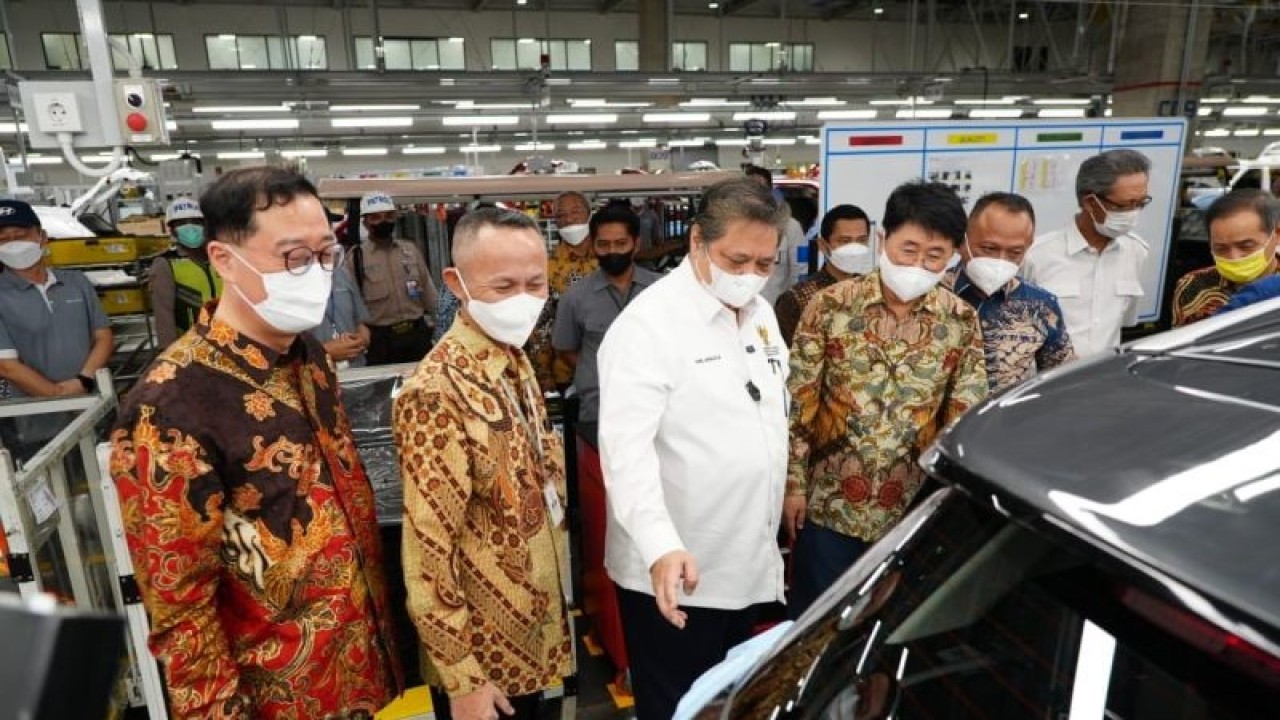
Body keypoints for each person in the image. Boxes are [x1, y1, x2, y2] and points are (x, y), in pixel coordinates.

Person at [109, 167, 402, 718]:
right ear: (224, 260)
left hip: (361, 668)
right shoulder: (170, 405)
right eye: (294, 257)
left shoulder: (309, 357)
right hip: (274, 695)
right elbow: (180, 609)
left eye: (326, 254)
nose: (315, 273)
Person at [598, 177, 790, 720]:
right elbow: (626, 454)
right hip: (677, 572)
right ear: (697, 242)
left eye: (764, 263)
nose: (750, 275)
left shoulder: (761, 316)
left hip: (745, 559)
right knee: (678, 708)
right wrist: (660, 545)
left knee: (732, 706)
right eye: (737, 260)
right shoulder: (647, 327)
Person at [394, 207, 570, 720]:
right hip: (485, 665)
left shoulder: (514, 361)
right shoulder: (436, 392)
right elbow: (427, 549)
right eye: (503, 286)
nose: (523, 300)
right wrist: (462, 678)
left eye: (535, 284)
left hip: (533, 637)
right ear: (457, 283)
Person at [785, 181, 988, 619]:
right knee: (816, 619)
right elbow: (799, 403)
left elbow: (964, 415)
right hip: (829, 504)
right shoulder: (829, 306)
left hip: (910, 510)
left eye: (934, 255)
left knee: (887, 624)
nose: (918, 265)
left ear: (954, 255)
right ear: (883, 239)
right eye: (908, 250)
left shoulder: (960, 321)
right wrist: (794, 486)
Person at [0, 200, 115, 455]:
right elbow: (7, 366)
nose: (13, 244)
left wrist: (84, 381)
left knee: (100, 472)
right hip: (31, 422)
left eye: (20, 235)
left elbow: (103, 336)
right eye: (3, 239)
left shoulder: (76, 283)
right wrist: (61, 395)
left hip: (92, 407)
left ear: (42, 237)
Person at [1023, 149, 1151, 357]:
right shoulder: (1036, 256)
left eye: (1141, 204)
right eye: (1124, 205)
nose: (1133, 213)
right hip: (1049, 375)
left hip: (1104, 373)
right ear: (1090, 202)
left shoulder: (1136, 252)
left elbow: (1125, 322)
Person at [553, 206, 661, 446]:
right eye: (603, 244)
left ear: (636, 244)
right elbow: (566, 349)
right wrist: (598, 370)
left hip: (658, 408)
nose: (612, 251)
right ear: (593, 245)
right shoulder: (575, 297)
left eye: (621, 243)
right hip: (599, 410)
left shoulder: (662, 290)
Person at [951, 192, 1075, 392]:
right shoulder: (932, 295)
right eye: (989, 248)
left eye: (1015, 252)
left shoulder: (1040, 305)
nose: (1001, 260)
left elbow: (1062, 381)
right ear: (962, 241)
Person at [349, 191, 438, 365]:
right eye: (376, 218)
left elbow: (428, 290)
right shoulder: (355, 258)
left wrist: (443, 324)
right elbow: (350, 303)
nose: (384, 222)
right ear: (365, 222)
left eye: (388, 216)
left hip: (417, 334)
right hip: (381, 340)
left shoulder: (410, 250)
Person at [1172, 188, 1280, 326]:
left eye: (1246, 246)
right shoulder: (1192, 286)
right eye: (1221, 248)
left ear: (1277, 235)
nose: (1234, 257)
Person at [774, 204, 873, 346]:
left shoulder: (875, 293)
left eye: (861, 240)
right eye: (845, 241)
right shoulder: (797, 299)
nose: (854, 248)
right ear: (823, 245)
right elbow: (784, 354)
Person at [528, 191, 597, 392]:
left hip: (611, 365)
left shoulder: (608, 258)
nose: (569, 219)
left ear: (589, 214)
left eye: (575, 212)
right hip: (564, 372)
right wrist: (543, 374)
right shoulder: (546, 268)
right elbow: (541, 326)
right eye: (561, 215)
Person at [149, 197, 222, 348]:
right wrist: (169, 353)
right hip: (190, 348)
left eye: (196, 222)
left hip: (228, 342)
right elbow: (164, 316)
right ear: (172, 230)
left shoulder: (220, 257)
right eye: (181, 223)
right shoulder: (165, 264)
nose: (190, 228)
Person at [745, 164, 806, 303]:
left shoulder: (791, 227)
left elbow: (800, 271)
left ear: (770, 192)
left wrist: (791, 305)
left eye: (761, 189)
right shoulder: (736, 228)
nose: (756, 194)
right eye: (750, 189)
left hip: (777, 308)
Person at [310, 263, 372, 369]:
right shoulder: (290, 285)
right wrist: (325, 352)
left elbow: (361, 324)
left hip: (356, 369)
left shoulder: (343, 273)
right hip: (317, 372)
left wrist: (362, 339)